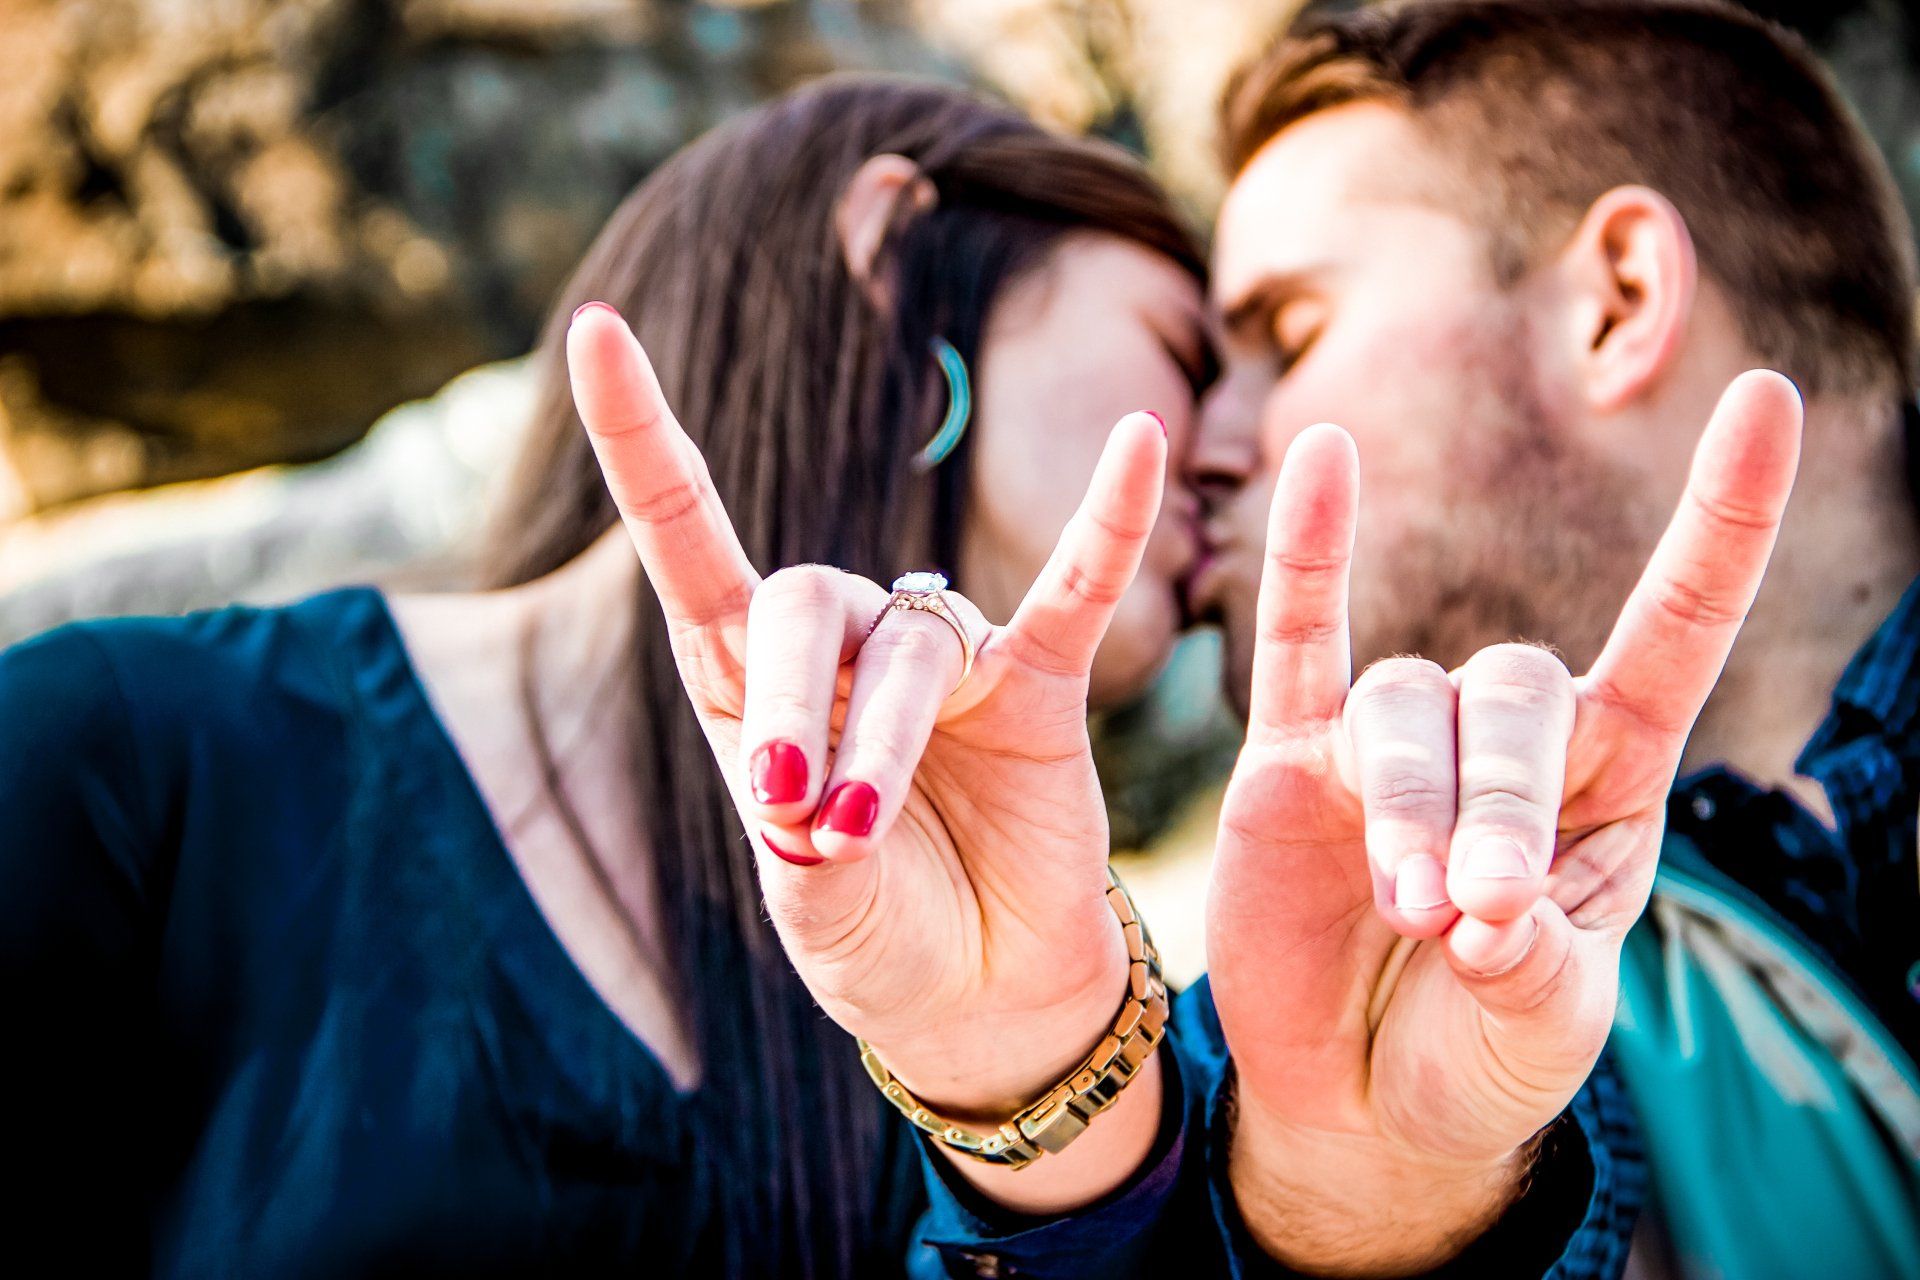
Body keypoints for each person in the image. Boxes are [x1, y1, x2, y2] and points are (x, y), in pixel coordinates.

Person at [0, 76, 1223, 1277]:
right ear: (892, 247)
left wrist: (1029, 1087)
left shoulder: (1011, 969)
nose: (1236, 452)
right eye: (1188, 355)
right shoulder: (127, 750)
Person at [1188, 1, 1920, 1276]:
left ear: (1616, 301)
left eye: (1292, 333)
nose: (1207, 442)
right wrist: (1371, 1210)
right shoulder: (1405, 987)